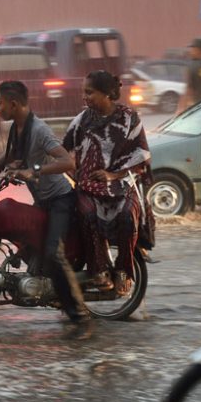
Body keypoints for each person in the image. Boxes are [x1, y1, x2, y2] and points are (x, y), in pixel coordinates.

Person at [0, 80, 92, 336]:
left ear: (14, 104)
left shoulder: (39, 130)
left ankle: (81, 318)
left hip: (60, 200)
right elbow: (10, 155)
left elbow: (67, 162)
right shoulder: (18, 128)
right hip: (42, 200)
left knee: (54, 253)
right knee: (26, 243)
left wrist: (36, 170)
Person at [63, 70, 153, 297]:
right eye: (84, 92)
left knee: (125, 216)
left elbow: (141, 155)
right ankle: (98, 269)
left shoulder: (130, 119)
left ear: (107, 94)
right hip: (88, 187)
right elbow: (63, 153)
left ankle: (123, 270)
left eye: (89, 92)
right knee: (88, 214)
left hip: (123, 184)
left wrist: (113, 175)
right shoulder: (81, 121)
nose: (85, 97)